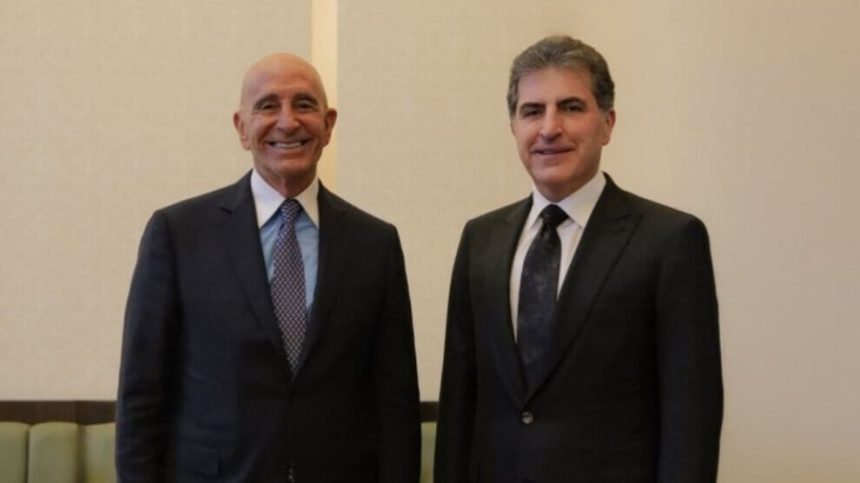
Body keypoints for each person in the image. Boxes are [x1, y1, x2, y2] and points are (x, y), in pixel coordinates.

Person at [116, 53, 420, 482]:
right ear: (242, 128)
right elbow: (141, 395)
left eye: (304, 104)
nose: (287, 122)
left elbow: (395, 402)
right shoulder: (178, 234)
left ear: (328, 125)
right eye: (267, 106)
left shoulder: (376, 244)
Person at [434, 36, 723, 482]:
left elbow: (692, 415)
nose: (549, 128)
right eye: (532, 111)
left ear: (607, 123)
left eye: (570, 107)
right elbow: (460, 401)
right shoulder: (480, 240)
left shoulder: (669, 241)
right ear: (513, 126)